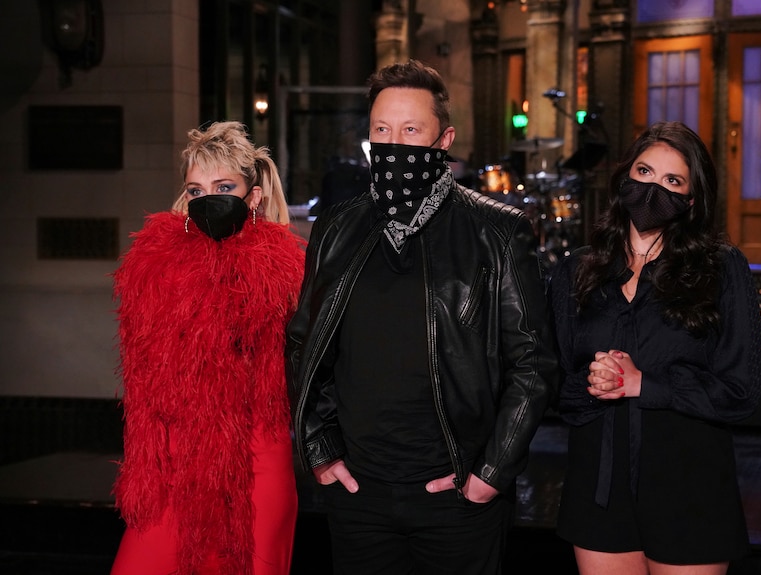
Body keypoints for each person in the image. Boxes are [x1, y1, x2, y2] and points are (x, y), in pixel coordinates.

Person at [286, 59, 559, 575]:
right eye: (381, 130)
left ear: (443, 140)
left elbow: (534, 364)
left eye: (411, 130)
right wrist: (320, 450)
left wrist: (490, 473)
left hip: (456, 498)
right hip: (359, 496)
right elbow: (305, 342)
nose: (395, 143)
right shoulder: (337, 228)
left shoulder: (497, 233)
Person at [549, 120, 761, 575]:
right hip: (598, 488)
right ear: (624, 177)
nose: (653, 189)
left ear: (691, 198)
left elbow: (741, 392)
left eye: (672, 181)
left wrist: (643, 384)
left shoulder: (722, 268)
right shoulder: (578, 270)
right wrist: (593, 383)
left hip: (688, 486)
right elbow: (557, 384)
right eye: (644, 172)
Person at [110, 121, 306, 575]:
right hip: (175, 463)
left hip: (258, 456)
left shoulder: (285, 274)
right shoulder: (156, 267)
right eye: (196, 190)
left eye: (223, 186)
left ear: (252, 196)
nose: (207, 198)